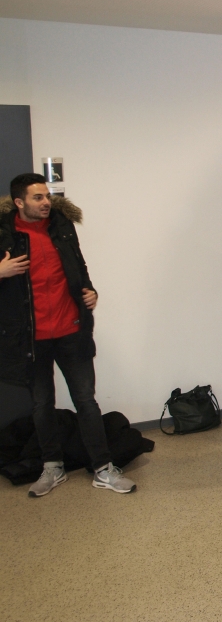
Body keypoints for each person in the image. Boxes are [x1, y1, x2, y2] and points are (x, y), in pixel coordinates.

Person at [0, 173, 136, 496]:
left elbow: (79, 267)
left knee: (86, 400)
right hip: (30, 337)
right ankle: (52, 467)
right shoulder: (4, 234)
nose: (46, 202)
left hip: (71, 331)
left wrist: (89, 291)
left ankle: (103, 468)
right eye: (37, 197)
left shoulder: (61, 226)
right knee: (42, 404)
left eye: (47, 196)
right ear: (19, 202)